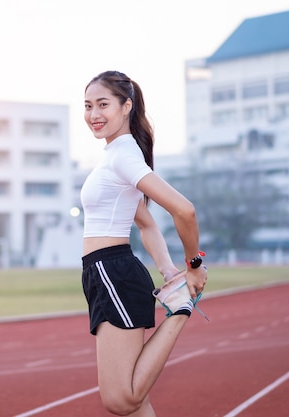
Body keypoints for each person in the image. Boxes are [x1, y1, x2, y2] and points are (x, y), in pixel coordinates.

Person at [80, 70, 208, 416]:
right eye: (88, 105)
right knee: (136, 405)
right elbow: (146, 222)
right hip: (103, 273)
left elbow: (185, 210)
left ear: (126, 107)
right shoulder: (114, 155)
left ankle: (181, 308)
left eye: (103, 104)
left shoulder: (123, 156)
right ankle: (180, 299)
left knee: (122, 398)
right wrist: (168, 269)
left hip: (113, 272)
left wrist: (192, 266)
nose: (94, 114)